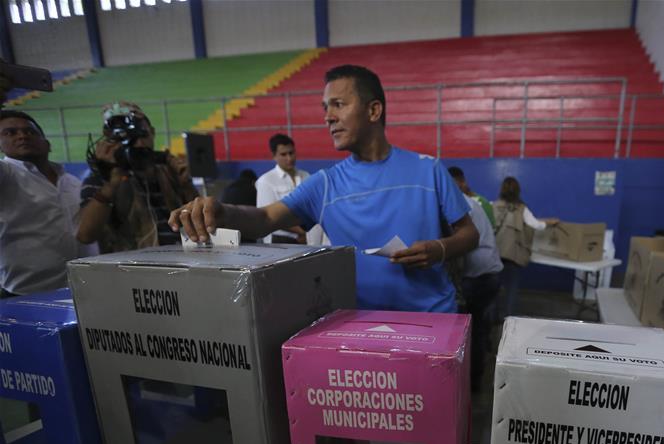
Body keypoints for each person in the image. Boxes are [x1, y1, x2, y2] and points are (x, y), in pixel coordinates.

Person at [170, 65, 478, 313]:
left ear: (374, 111)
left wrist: (439, 249)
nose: (327, 117)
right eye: (325, 107)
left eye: (339, 105)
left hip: (431, 320)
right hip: (358, 324)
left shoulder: (428, 169)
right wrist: (222, 211)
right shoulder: (325, 184)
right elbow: (264, 218)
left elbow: (469, 234)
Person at [77, 102, 197, 254]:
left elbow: (199, 223)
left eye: (143, 135)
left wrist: (186, 184)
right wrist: (111, 185)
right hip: (132, 271)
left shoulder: (169, 171)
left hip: (181, 262)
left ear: (152, 132)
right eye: (129, 139)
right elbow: (85, 235)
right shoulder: (100, 180)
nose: (139, 145)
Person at [0, 110, 96, 297]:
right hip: (26, 295)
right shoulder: (6, 175)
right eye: (10, 133)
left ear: (47, 143)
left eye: (30, 131)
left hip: (86, 291)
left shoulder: (72, 181)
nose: (22, 136)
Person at [452, 175, 503, 389]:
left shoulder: (460, 205)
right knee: (480, 326)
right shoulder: (473, 202)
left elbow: (460, 243)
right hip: (491, 272)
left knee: (471, 330)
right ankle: (477, 377)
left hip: (478, 276)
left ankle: (471, 381)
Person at [492, 176, 558, 317]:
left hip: (494, 255)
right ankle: (509, 320)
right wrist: (549, 223)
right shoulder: (522, 209)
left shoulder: (494, 205)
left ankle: (493, 318)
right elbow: (536, 225)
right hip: (512, 255)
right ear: (518, 191)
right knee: (511, 291)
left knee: (493, 290)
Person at [256, 133, 310, 244]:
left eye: (291, 153)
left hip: (308, 238)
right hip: (280, 241)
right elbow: (267, 217)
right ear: (274, 156)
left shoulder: (306, 176)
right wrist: (301, 232)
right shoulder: (265, 181)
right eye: (283, 154)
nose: (289, 158)